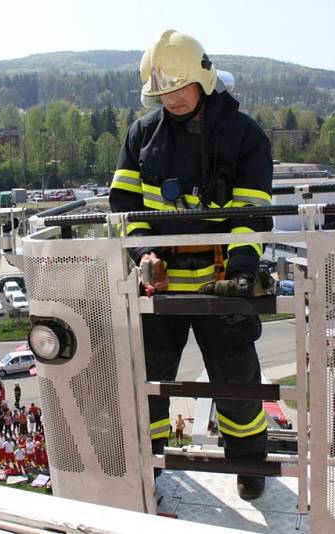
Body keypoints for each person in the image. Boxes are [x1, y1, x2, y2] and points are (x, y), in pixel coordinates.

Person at [109, 30, 274, 500]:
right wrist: (145, 257)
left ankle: (248, 465)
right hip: (160, 284)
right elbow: (124, 210)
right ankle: (152, 463)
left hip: (222, 281)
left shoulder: (244, 136)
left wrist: (242, 270)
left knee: (237, 377)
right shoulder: (142, 135)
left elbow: (253, 213)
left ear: (203, 80)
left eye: (179, 88)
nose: (172, 100)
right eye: (162, 92)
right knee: (152, 377)